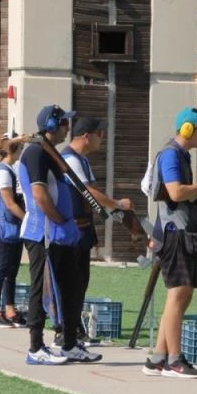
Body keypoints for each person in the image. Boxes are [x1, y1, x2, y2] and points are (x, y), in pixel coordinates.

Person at [18, 104, 101, 365]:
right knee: (39, 289)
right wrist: (61, 221)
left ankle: (69, 344)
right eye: (64, 123)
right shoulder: (35, 153)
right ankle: (35, 347)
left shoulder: (49, 152)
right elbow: (39, 195)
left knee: (72, 286)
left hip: (59, 233)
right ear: (52, 126)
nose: (68, 127)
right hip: (42, 232)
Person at [141, 107, 197, 379]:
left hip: (179, 232)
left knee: (178, 296)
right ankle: (175, 360)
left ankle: (159, 358)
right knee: (179, 295)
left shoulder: (179, 155)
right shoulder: (172, 155)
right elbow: (175, 191)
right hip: (176, 234)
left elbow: (181, 197)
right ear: (188, 129)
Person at [55, 116, 134, 347]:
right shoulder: (71, 159)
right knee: (71, 283)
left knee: (79, 282)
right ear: (86, 136)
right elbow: (88, 192)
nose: (103, 138)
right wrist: (118, 204)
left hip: (82, 230)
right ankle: (65, 331)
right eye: (100, 134)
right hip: (73, 231)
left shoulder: (81, 160)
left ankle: (74, 330)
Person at [0, 135, 27, 328]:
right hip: (4, 226)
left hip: (14, 226)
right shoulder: (2, 173)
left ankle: (10, 309)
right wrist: (27, 218)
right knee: (1, 269)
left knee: (12, 270)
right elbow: (9, 204)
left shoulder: (11, 170)